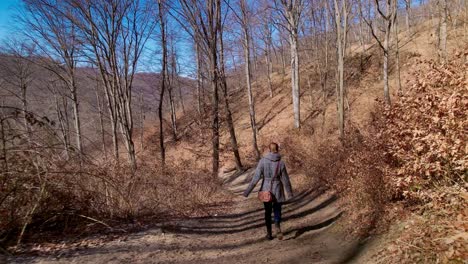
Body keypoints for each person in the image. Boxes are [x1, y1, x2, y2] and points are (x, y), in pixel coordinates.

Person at [243, 142, 293, 241]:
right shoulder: (281, 163)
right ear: (277, 149)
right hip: (278, 189)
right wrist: (289, 193)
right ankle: (277, 226)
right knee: (277, 210)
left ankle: (269, 234)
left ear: (269, 150)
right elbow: (285, 180)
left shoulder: (262, 161)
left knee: (267, 212)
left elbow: (256, 177)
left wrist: (247, 191)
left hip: (266, 189)